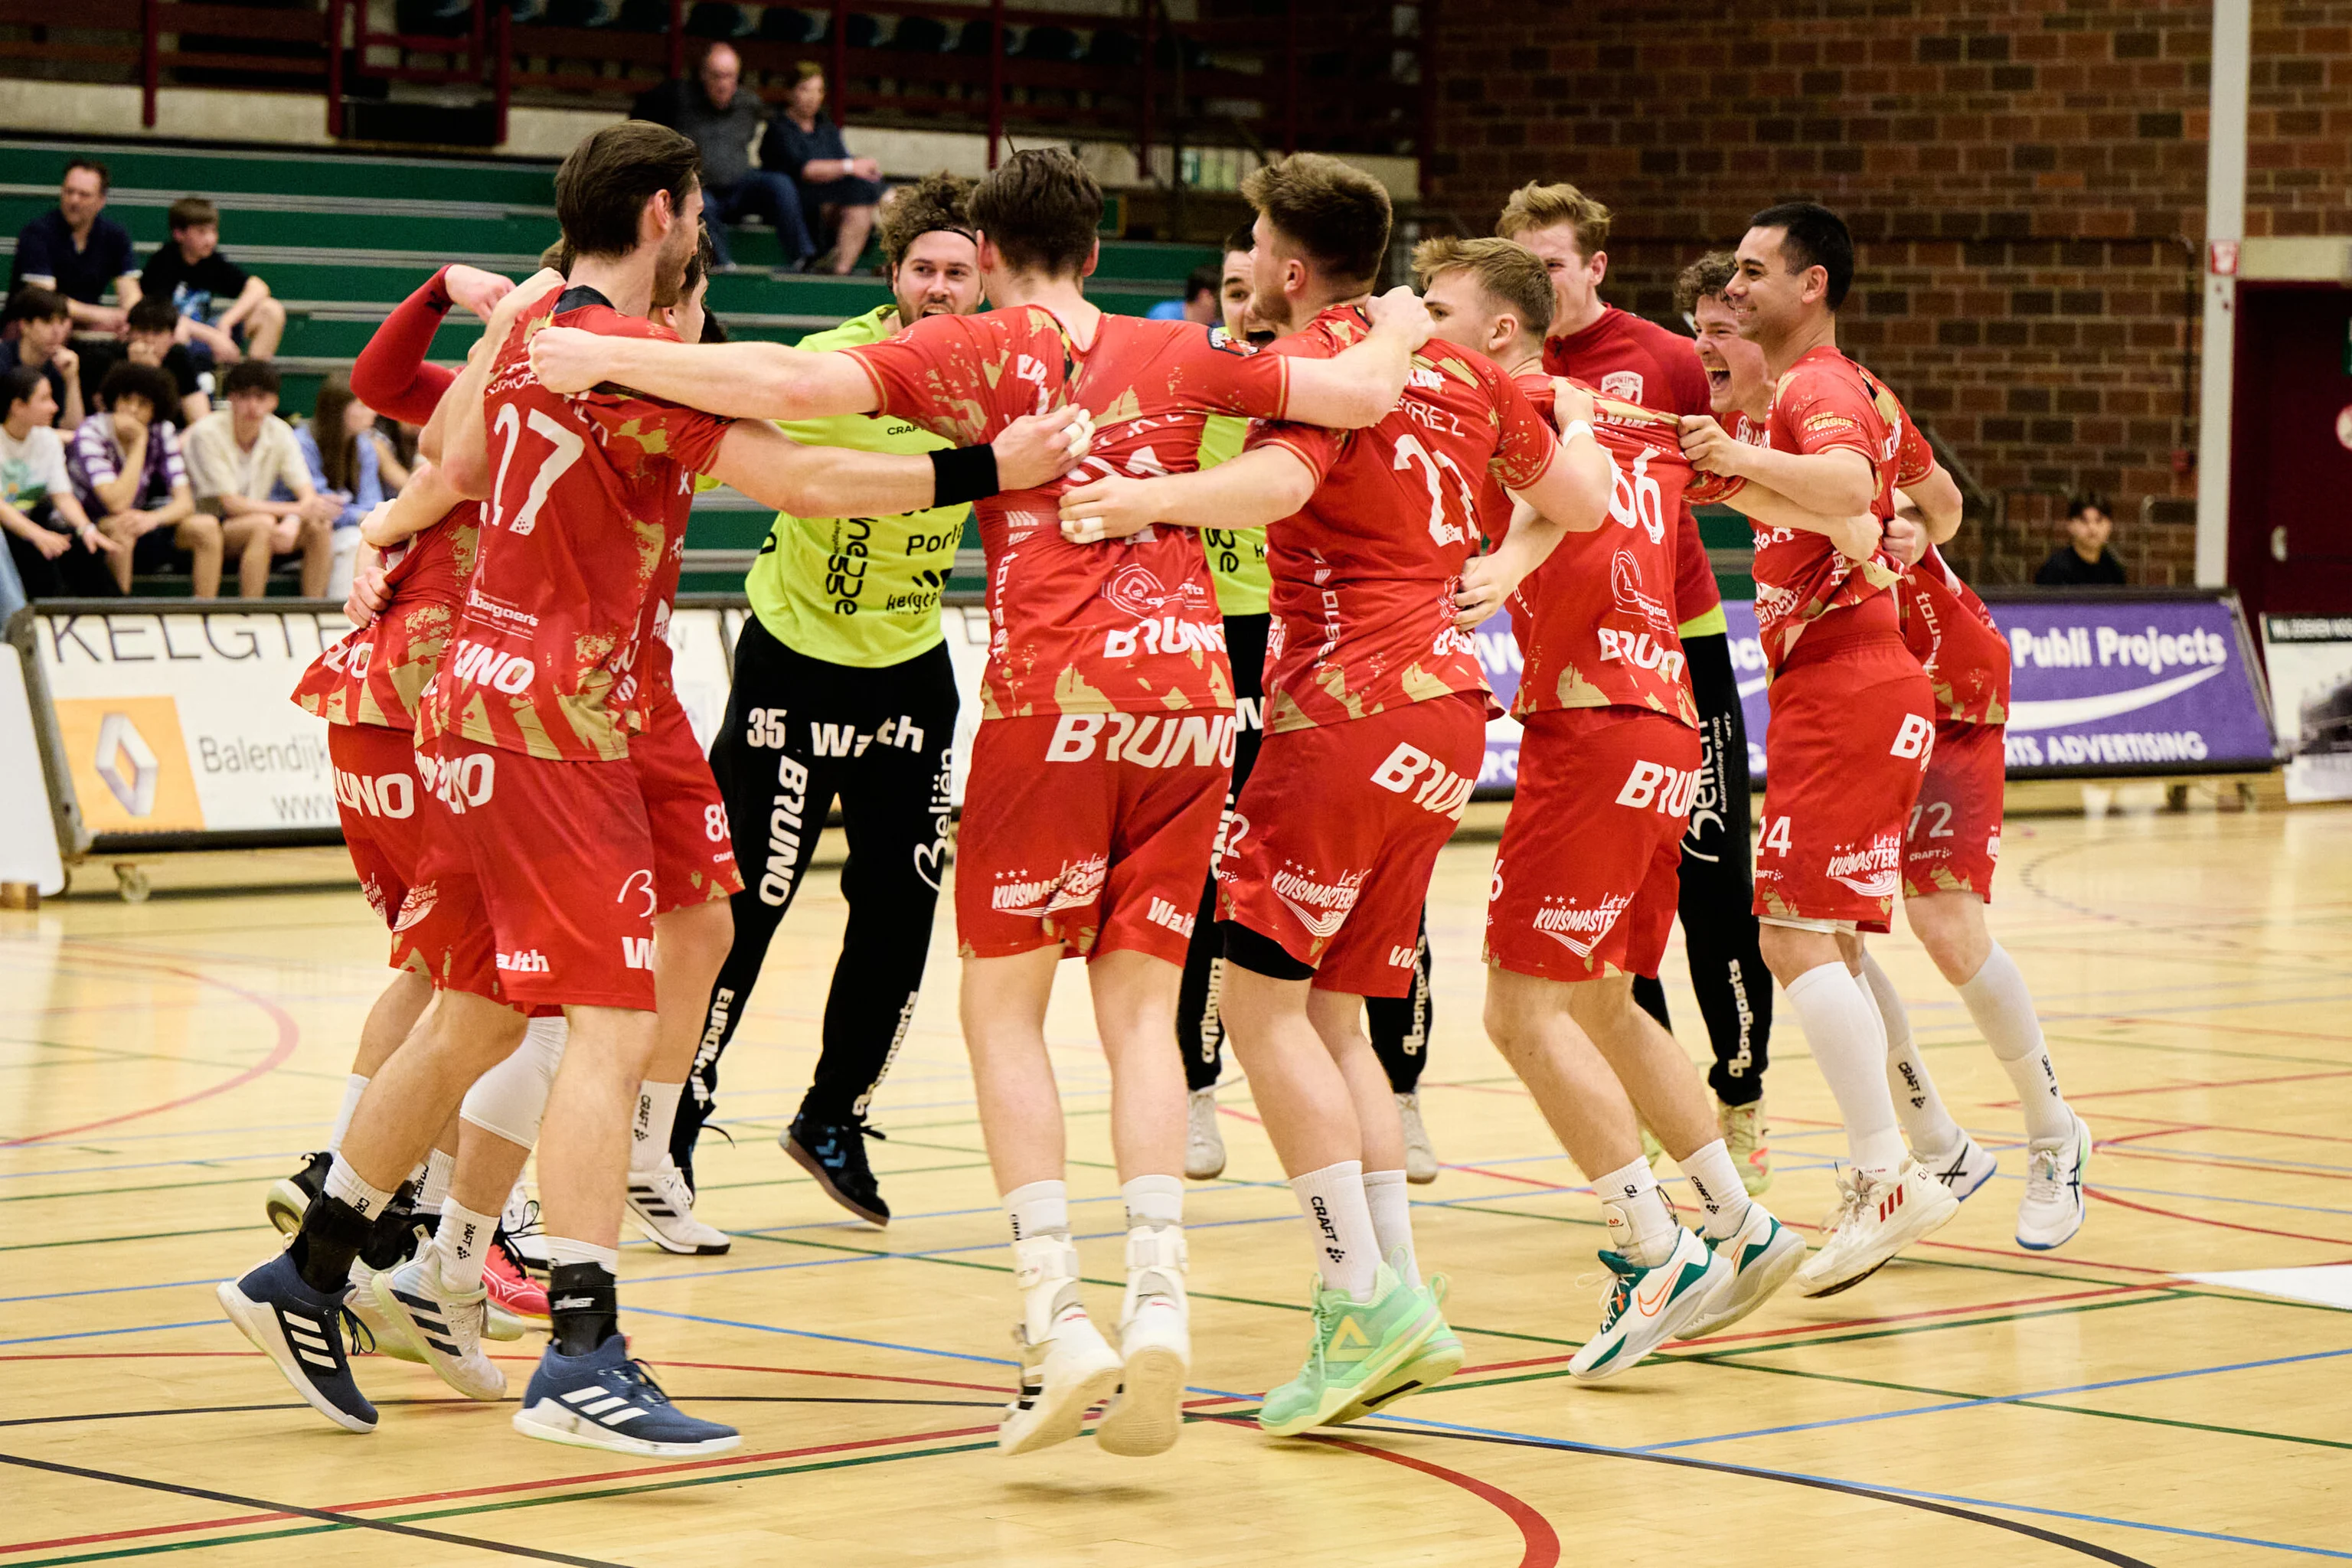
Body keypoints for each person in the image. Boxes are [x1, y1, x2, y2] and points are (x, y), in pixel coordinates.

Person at [528, 144, 1431, 1461]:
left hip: (1050, 700)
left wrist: (604, 355)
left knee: (1003, 1010)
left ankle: (1055, 1314)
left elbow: (791, 387)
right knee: (1142, 1013)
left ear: (992, 253)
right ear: (1098, 249)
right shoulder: (1183, 348)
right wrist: (1401, 314)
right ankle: (1160, 1294)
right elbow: (1354, 394)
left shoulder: (971, 347)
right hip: (1190, 697)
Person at [224, 120, 1093, 1455]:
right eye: (694, 212)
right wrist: (990, 469)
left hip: (520, 696)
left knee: (500, 1001)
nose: (703, 230)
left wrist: (399, 516)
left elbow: (457, 458)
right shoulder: (623, 359)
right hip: (551, 713)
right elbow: (801, 477)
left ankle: (314, 1264)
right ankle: (580, 1348)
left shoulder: (536, 325)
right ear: (659, 215)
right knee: (607, 1021)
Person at [1053, 154, 1612, 1436]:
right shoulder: (1464, 370)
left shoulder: (1324, 364)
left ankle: (1359, 1301)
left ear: (1294, 267)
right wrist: (1514, 535)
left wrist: (1143, 501)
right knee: (1338, 1012)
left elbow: (1282, 486)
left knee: (1256, 1005)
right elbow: (1580, 500)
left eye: (1252, 242)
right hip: (1446, 709)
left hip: (1343, 709)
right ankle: (1396, 1293)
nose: (1241, 262)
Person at [1410, 236, 1807, 1380]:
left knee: (1518, 1012)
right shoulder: (1623, 419)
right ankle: (1737, 1219)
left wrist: (1501, 565)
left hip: (1591, 725)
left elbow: (1559, 500)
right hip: (1668, 715)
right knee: (1604, 1000)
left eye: (1437, 308)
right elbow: (1790, 494)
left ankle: (1651, 1243)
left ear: (1501, 330)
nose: (1423, 325)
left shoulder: (1509, 404)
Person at [669, 172, 982, 1237]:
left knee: (901, 914)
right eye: (923, 269)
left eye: (958, 272)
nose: (940, 287)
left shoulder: (1000, 382)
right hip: (793, 666)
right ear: (893, 275)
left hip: (910, 671)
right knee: (747, 904)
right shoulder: (831, 369)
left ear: (983, 284)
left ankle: (834, 1114)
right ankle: (675, 1111)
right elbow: (718, 434)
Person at [1676, 201, 1967, 1296]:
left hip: (1848, 680)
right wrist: (1728, 471)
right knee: (1829, 943)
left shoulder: (1815, 385)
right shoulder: (1818, 397)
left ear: (1812, 287)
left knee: (1791, 938)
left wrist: (1746, 464)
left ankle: (1885, 1174)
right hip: (1854, 679)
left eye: (1753, 273)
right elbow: (1927, 503)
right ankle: (1930, 1148)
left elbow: (1849, 487)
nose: (1734, 290)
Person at [1501, 181, 1778, 1196]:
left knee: (1713, 885)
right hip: (1572, 661)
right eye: (1522, 267)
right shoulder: (1504, 364)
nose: (1538, 283)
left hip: (1679, 646)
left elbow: (1744, 458)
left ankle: (1740, 1096)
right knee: (1609, 920)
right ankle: (1650, 1117)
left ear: (1596, 267)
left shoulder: (1664, 358)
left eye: (1552, 265)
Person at [1178, 224, 1445, 1187]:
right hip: (1221, 646)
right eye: (1226, 286)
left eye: (1251, 278)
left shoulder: (1347, 375)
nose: (1241, 302)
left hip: (1331, 659)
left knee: (1380, 894)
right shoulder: (1209, 381)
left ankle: (1400, 1091)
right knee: (1213, 879)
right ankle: (1197, 1087)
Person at [1867, 512, 2095, 1249]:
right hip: (1846, 699)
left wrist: (1918, 528)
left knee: (1946, 927)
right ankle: (1938, 1145)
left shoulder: (1837, 430)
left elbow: (1943, 498)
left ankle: (2054, 1131)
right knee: (1815, 936)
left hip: (1945, 694)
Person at [639, 43, 815, 273]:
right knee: (697, 199)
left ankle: (802, 257)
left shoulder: (749, 104)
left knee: (779, 184)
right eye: (717, 76)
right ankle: (723, 266)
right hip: (703, 188)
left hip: (740, 186)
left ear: (737, 77)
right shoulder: (679, 101)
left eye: (729, 76)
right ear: (703, 75)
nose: (723, 84)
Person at [181, 360, 341, 598]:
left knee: (319, 525)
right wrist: (296, 510)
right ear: (231, 398)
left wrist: (292, 521)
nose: (252, 406)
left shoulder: (280, 431)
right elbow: (231, 504)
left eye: (261, 397)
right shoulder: (207, 432)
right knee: (262, 524)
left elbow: (307, 494)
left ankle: (313, 607)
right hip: (209, 524)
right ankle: (252, 610)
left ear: (274, 401)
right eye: (244, 396)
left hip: (258, 521)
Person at [68, 361, 206, 595]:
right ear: (113, 400)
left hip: (137, 520)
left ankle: (206, 610)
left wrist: (154, 518)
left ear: (155, 409)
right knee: (123, 526)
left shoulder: (163, 430)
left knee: (206, 527)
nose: (132, 410)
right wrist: (139, 443)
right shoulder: (92, 432)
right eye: (126, 400)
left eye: (142, 404)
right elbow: (116, 504)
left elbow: (185, 503)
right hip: (85, 525)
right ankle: (118, 612)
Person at [0, 364, 117, 597]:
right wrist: (38, 535)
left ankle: (112, 611)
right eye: (45, 399)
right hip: (8, 530)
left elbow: (63, 496)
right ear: (17, 406)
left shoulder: (48, 440)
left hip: (26, 526)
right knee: (34, 548)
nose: (54, 407)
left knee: (82, 544)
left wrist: (86, 528)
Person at [762, 62, 884, 274]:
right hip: (796, 202)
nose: (813, 97)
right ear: (790, 92)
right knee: (863, 195)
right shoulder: (779, 128)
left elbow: (843, 161)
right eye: (805, 89)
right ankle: (841, 270)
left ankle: (855, 267)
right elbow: (805, 170)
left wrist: (862, 168)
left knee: (881, 194)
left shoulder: (825, 126)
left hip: (835, 197)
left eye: (818, 91)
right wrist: (851, 166)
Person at [139, 198, 288, 364]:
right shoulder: (163, 263)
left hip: (205, 331)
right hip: (173, 336)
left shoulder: (210, 261)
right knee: (179, 331)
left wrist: (226, 322)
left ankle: (253, 376)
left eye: (213, 231)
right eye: (202, 232)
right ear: (179, 234)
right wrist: (214, 338)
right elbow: (164, 318)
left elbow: (258, 288)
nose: (211, 239)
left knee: (271, 310)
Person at [10, 159, 140, 335]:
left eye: (84, 195)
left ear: (101, 201)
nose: (74, 200)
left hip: (87, 330)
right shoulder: (37, 233)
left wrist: (130, 319)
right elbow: (46, 300)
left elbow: (130, 293)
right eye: (69, 192)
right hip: (33, 332)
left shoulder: (115, 235)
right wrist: (104, 315)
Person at [1, 288, 84, 432]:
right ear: (25, 326)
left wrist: (72, 379)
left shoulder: (61, 366)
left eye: (62, 322)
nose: (57, 331)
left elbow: (74, 430)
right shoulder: (3, 358)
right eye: (47, 321)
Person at [125, 297, 212, 430]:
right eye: (142, 331)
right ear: (130, 333)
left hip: (174, 435)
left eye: (157, 332)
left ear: (172, 337)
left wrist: (155, 372)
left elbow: (200, 421)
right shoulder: (115, 359)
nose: (149, 339)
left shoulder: (179, 358)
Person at [2034, 493, 2128, 585]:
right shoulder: (2055, 569)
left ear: (2110, 525)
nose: (2092, 528)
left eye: (2099, 521)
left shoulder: (2114, 568)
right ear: (2070, 525)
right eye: (2084, 521)